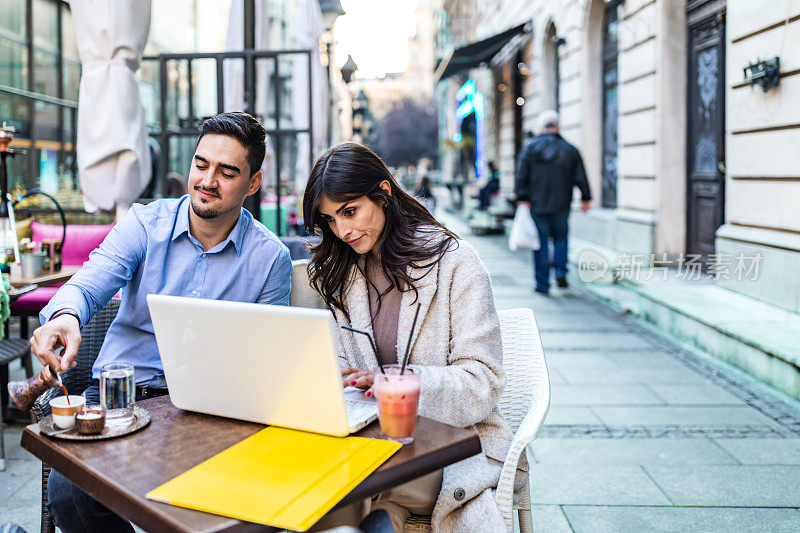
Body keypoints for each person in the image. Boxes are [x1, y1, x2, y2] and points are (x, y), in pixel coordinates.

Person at [31, 112, 293, 533]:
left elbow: (267, 359)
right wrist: (64, 317)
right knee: (69, 492)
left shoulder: (271, 260)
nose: (207, 181)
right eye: (201, 164)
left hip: (209, 411)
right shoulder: (144, 223)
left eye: (227, 172)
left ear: (254, 183)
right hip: (121, 396)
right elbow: (89, 282)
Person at [303, 142, 527, 532]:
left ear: (384, 194)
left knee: (338, 491)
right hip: (370, 447)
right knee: (329, 490)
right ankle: (385, 518)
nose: (342, 231)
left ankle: (384, 515)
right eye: (330, 220)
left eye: (350, 211)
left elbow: (482, 383)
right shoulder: (341, 274)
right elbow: (338, 365)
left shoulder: (456, 262)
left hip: (453, 450)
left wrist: (396, 384)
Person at [515, 110, 591, 295]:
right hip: (562, 204)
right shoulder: (570, 150)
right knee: (561, 238)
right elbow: (580, 176)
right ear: (557, 126)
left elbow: (521, 174)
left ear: (540, 127)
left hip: (536, 205)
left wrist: (522, 197)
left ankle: (542, 284)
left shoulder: (530, 148)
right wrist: (585, 198)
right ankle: (560, 272)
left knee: (540, 244)